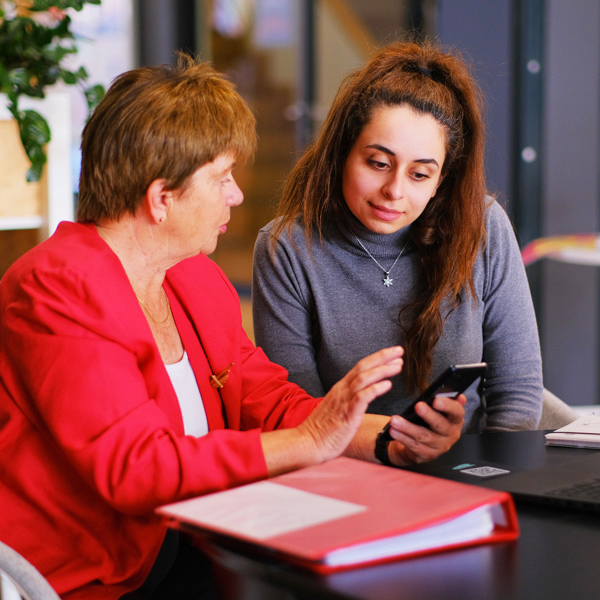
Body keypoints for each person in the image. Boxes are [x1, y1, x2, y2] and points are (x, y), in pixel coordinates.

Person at [0, 54, 466, 600]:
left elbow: (266, 401)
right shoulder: (54, 287)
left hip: (191, 543)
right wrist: (308, 441)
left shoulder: (193, 276)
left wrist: (390, 439)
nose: (237, 195)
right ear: (161, 197)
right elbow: (136, 470)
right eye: (222, 178)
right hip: (95, 578)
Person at [252, 40, 543, 434]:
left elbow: (519, 398)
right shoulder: (286, 249)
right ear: (342, 153)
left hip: (466, 467)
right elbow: (299, 418)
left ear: (442, 180)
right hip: (347, 470)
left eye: (420, 174)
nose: (394, 190)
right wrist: (392, 450)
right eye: (378, 163)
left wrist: (484, 473)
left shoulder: (484, 226)